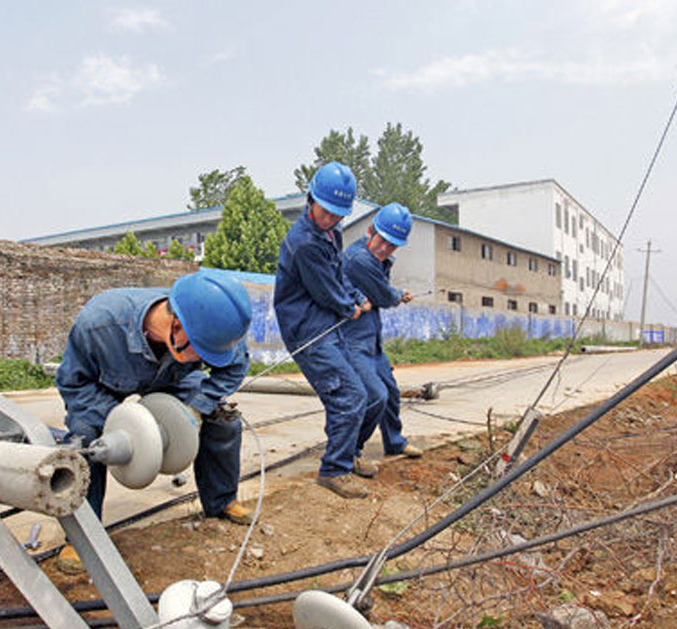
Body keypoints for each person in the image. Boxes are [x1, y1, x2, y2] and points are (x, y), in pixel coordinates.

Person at [55, 270, 253, 573]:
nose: (208, 358)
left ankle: (221, 501)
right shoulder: (99, 324)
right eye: (203, 353)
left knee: (224, 420)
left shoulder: (212, 325)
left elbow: (234, 367)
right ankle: (81, 536)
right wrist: (117, 423)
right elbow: (73, 382)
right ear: (177, 327)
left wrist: (198, 408)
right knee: (86, 441)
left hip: (175, 378)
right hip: (104, 385)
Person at [274, 161, 377, 500]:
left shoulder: (329, 234)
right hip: (307, 331)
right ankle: (334, 470)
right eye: (327, 211)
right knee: (349, 396)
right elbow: (326, 291)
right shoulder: (304, 242)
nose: (332, 218)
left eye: (338, 213)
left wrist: (357, 296)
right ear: (310, 199)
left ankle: (347, 456)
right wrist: (350, 307)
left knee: (362, 393)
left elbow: (339, 276)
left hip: (326, 325)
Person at [342, 202, 423, 466]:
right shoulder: (359, 260)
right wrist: (397, 296)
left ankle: (394, 441)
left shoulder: (376, 260)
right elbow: (383, 295)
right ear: (369, 231)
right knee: (375, 395)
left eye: (392, 245)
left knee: (390, 391)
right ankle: (350, 451)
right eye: (383, 241)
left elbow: (379, 293)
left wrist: (391, 295)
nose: (386, 249)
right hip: (353, 341)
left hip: (371, 339)